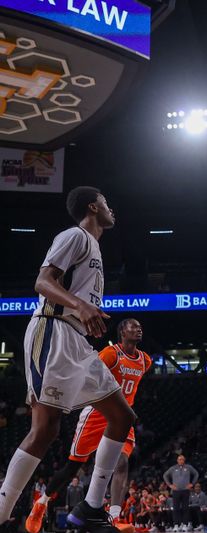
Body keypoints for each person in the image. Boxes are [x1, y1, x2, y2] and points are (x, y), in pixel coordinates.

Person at [0, 187, 136, 533]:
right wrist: (80, 306)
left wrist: (86, 311)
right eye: (106, 201)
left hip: (76, 339)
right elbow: (43, 282)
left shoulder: (95, 246)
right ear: (93, 206)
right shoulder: (75, 235)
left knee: (122, 417)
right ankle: (2, 513)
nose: (111, 207)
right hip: (53, 331)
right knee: (44, 430)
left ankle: (90, 507)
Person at [26, 318, 150, 533]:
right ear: (122, 331)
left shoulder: (145, 360)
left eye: (140, 326)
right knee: (73, 467)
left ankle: (113, 517)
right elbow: (88, 378)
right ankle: (42, 503)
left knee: (121, 463)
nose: (139, 329)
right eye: (133, 326)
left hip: (122, 418)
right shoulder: (111, 354)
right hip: (97, 415)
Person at [163, 455, 199, 531]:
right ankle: (176, 525)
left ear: (184, 460)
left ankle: (185, 524)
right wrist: (170, 485)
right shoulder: (173, 468)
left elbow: (196, 474)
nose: (181, 460)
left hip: (186, 490)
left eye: (182, 459)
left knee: (185, 508)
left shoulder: (188, 467)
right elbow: (165, 475)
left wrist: (192, 483)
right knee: (176, 508)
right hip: (176, 491)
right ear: (177, 460)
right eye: (179, 459)